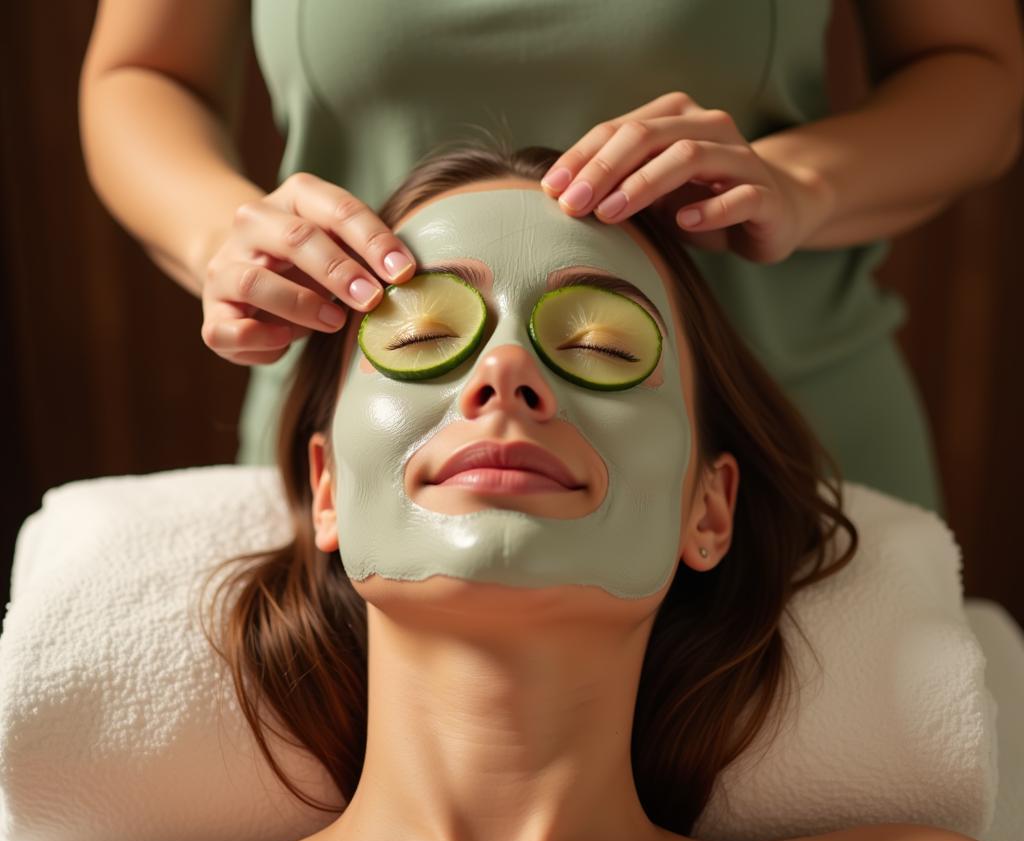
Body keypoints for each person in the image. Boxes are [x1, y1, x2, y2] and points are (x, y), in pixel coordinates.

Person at [3, 144, 1023, 841]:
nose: (502, 374)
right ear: (325, 489)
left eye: (600, 347)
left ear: (704, 510)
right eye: (418, 340)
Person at [78, 1, 1024, 519]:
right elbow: (142, 70)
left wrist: (801, 182)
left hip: (785, 441)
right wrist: (220, 234)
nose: (506, 380)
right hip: (382, 439)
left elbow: (974, 66)